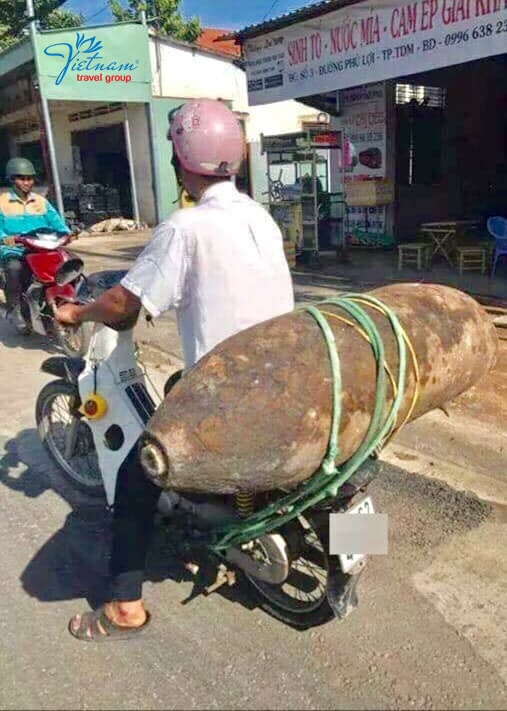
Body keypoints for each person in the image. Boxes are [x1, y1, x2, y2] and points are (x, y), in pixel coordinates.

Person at [55, 98, 295, 641]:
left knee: (134, 480)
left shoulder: (184, 227)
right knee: (175, 385)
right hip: (281, 376)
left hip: (228, 392)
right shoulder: (261, 217)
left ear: (181, 160)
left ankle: (124, 608)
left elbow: (124, 305)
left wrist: (77, 310)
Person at [0, 157, 71, 332]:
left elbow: (57, 224)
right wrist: (5, 237)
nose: (26, 182)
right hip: (15, 249)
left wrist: (68, 233)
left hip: (42, 249)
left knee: (68, 264)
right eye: (21, 178)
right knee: (14, 268)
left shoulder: (41, 201)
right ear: (12, 180)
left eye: (30, 178)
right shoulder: (2, 202)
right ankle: (15, 309)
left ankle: (67, 303)